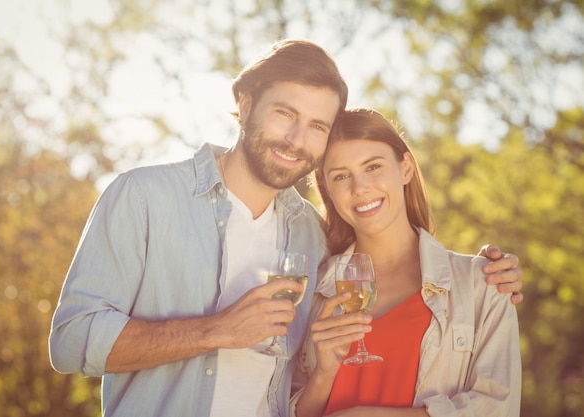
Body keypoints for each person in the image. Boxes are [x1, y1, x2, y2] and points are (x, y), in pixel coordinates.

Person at [49, 40, 522, 417]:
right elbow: (71, 341)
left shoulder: (311, 237)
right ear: (246, 102)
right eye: (285, 114)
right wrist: (216, 330)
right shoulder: (144, 198)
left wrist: (489, 275)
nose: (297, 140)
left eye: (317, 125)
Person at [291, 108, 522, 417]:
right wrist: (323, 375)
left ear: (406, 168)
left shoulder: (483, 283)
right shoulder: (309, 291)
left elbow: (498, 407)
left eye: (373, 167)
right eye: (341, 176)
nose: (360, 188)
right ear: (327, 190)